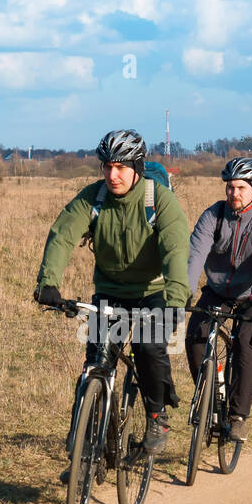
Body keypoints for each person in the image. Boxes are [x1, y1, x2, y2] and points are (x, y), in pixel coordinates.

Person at [34, 130, 190, 470]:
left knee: (149, 349)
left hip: (153, 291)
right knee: (96, 363)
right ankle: (85, 450)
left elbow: (177, 249)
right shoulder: (95, 197)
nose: (112, 175)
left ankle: (156, 414)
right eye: (106, 166)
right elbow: (63, 234)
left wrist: (176, 300)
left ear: (136, 167)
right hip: (110, 292)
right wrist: (49, 283)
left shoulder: (158, 199)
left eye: (120, 167)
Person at [183, 157, 252, 442]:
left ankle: (238, 417)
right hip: (216, 291)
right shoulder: (212, 216)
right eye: (230, 187)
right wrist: (184, 291)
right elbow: (195, 257)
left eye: (240, 187)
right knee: (195, 337)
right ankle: (208, 399)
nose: (234, 193)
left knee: (244, 342)